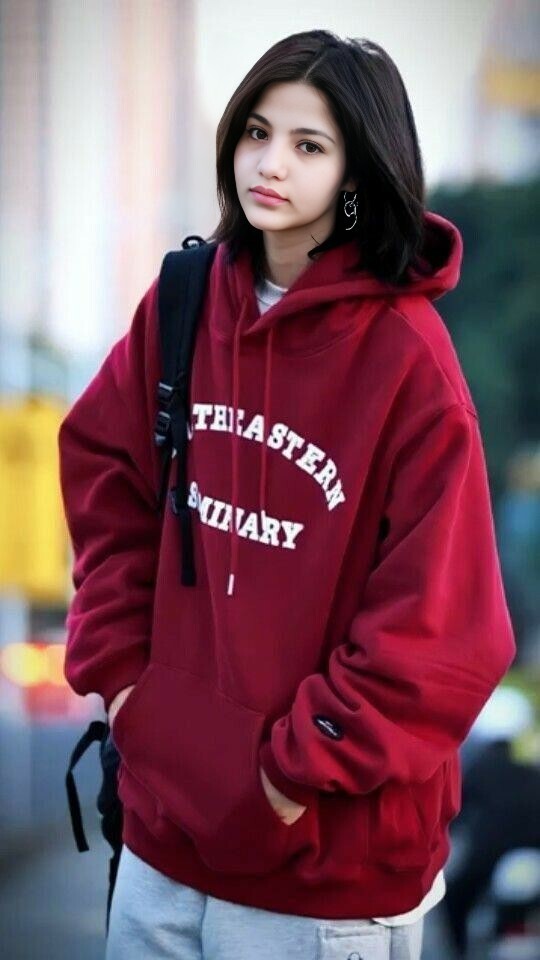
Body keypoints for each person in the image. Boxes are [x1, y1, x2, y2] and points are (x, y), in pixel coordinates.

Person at [58, 28, 516, 960]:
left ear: (357, 173)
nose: (270, 164)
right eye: (257, 132)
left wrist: (291, 773)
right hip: (160, 847)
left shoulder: (409, 361)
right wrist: (128, 685)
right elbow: (106, 478)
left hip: (325, 882)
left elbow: (445, 629)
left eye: (309, 145)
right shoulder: (184, 301)